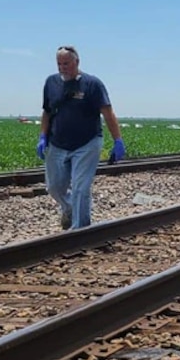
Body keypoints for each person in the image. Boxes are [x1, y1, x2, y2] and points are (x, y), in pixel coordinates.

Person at [38, 45, 125, 230]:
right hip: (58, 144)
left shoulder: (92, 84)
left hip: (87, 143)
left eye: (67, 63)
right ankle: (69, 207)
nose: (63, 67)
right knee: (54, 187)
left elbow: (108, 113)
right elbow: (46, 112)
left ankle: (79, 231)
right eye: (59, 64)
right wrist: (42, 136)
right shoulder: (51, 83)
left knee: (80, 188)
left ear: (77, 62)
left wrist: (117, 140)